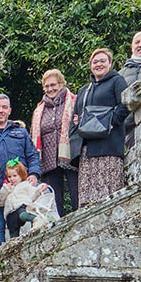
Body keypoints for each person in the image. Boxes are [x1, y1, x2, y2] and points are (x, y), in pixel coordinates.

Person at [0, 95, 40, 246]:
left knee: (20, 222)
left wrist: (34, 174)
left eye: (4, 107)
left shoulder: (20, 132)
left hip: (21, 189)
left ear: (9, 110)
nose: (0, 111)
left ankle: (20, 257)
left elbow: (32, 155)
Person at [74, 48, 131, 206]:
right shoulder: (84, 89)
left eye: (102, 61)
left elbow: (125, 105)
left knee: (108, 195)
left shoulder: (117, 81)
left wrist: (111, 122)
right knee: (88, 198)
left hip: (109, 147)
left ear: (110, 64)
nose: (98, 64)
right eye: (95, 61)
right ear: (90, 65)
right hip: (88, 149)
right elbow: (77, 112)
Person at [32, 69, 78, 216]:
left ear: (61, 84)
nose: (50, 89)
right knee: (53, 201)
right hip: (48, 159)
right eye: (47, 86)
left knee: (76, 195)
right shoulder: (40, 109)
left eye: (53, 85)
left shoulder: (74, 101)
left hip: (71, 155)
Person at [0, 161, 43, 237]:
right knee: (12, 228)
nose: (12, 179)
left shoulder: (25, 185)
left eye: (15, 176)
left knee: (22, 215)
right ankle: (14, 244)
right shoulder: (7, 188)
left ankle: (37, 220)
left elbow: (33, 195)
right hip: (10, 213)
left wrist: (40, 190)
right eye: (9, 177)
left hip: (21, 207)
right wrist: (5, 189)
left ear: (21, 175)